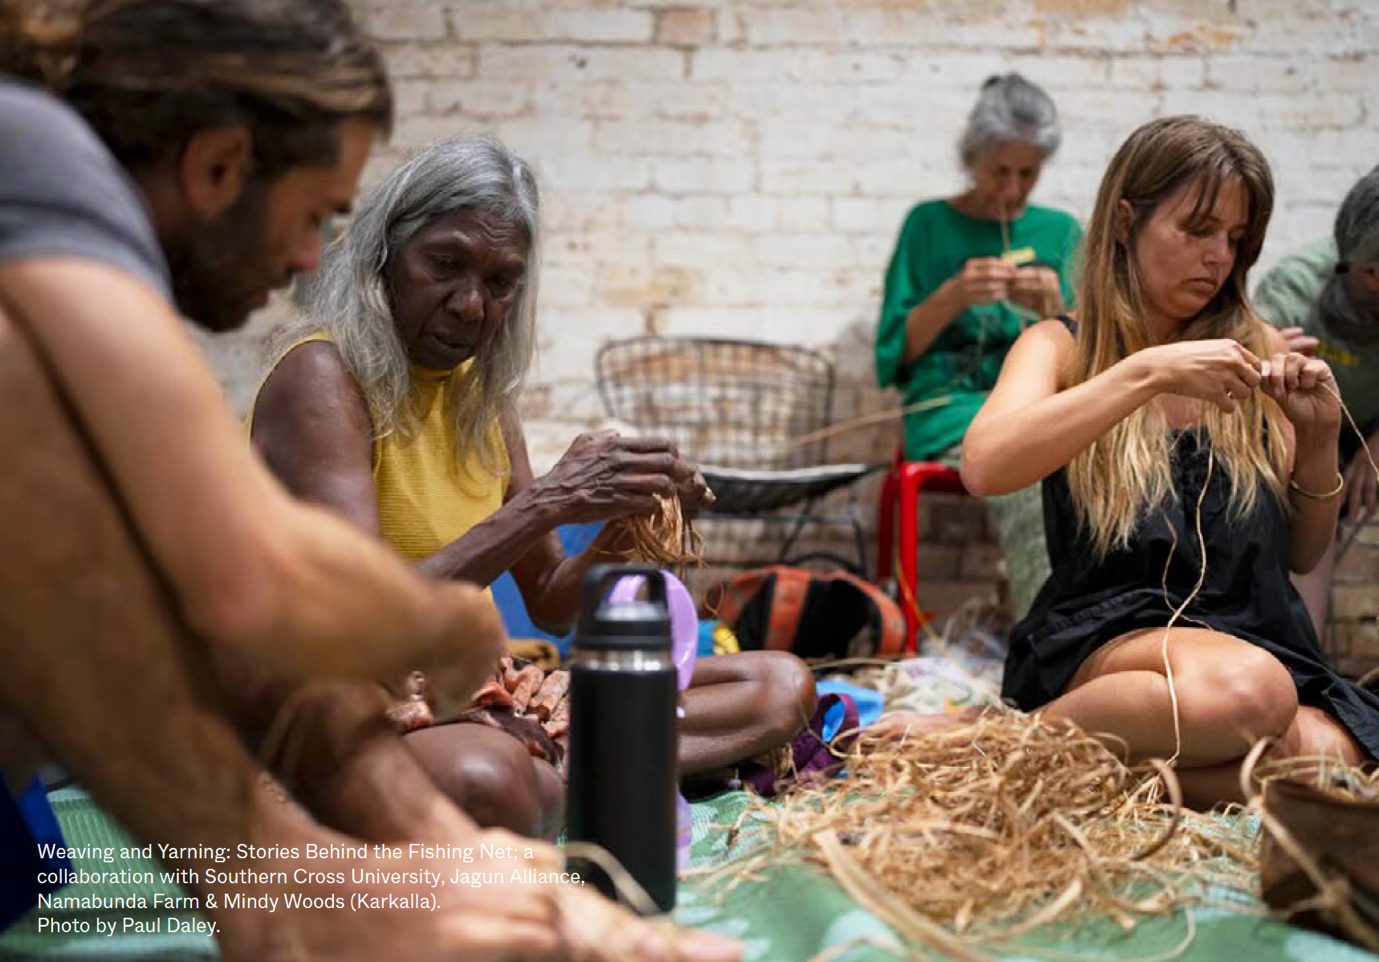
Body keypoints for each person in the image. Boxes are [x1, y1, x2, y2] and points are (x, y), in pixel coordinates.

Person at [0, 3, 738, 960]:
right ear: (219, 164)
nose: (312, 257)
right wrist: (452, 627)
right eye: (315, 213)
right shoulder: (41, 160)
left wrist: (381, 865)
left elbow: (166, 622)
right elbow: (251, 582)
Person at [249, 137, 819, 838]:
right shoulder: (322, 378)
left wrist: (630, 516)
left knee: (776, 690)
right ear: (383, 255)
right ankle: (555, 775)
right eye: (446, 264)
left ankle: (546, 773)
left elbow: (550, 598)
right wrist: (549, 500)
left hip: (471, 690)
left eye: (499, 281)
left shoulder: (480, 397)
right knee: (489, 780)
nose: (468, 305)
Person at [958, 115, 1379, 809]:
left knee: (1331, 757)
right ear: (1125, 221)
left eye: (1235, 239)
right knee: (1252, 694)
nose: (1218, 257)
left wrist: (1316, 442)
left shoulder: (1257, 343)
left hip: (1248, 629)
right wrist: (1145, 373)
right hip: (1115, 633)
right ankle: (1000, 748)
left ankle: (1085, 780)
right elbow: (984, 466)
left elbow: (1301, 554)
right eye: (1196, 229)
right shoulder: (1060, 348)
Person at [874, 73, 1083, 620]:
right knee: (1030, 476)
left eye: (1027, 174)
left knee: (1099, 470)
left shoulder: (1061, 232)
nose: (1012, 189)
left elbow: (1093, 358)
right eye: (999, 171)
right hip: (950, 412)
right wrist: (951, 296)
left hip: (1037, 403)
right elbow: (893, 358)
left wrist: (1053, 310)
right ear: (972, 157)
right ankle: (1050, 640)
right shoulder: (928, 225)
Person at [1253, 167, 1379, 636]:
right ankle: (1305, 650)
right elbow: (1252, 397)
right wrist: (1268, 360)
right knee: (1308, 496)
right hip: (1304, 435)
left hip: (1369, 434)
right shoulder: (1294, 288)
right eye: (1372, 277)